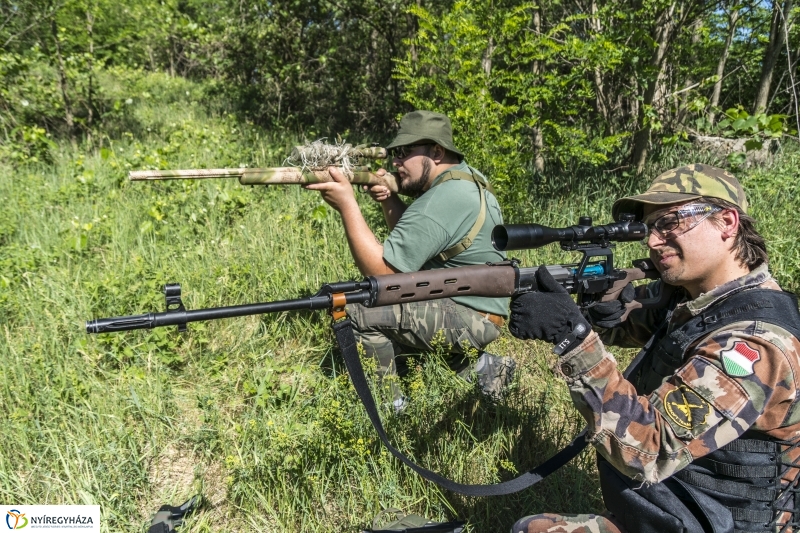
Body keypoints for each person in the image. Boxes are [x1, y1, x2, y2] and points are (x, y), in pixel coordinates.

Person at [507, 164, 800, 533]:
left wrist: (573, 336)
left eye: (671, 223)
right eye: (649, 228)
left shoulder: (752, 343)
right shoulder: (698, 301)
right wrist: (595, 310)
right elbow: (630, 323)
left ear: (727, 223)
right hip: (685, 510)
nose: (653, 241)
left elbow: (650, 448)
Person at [305, 110, 515, 411]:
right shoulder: (466, 180)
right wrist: (389, 199)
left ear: (437, 152)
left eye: (404, 153)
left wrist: (347, 204)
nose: (395, 163)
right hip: (480, 310)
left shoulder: (441, 199)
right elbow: (418, 247)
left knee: (359, 307)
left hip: (469, 317)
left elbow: (385, 276)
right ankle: (486, 371)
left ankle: (393, 410)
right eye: (394, 154)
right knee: (395, 319)